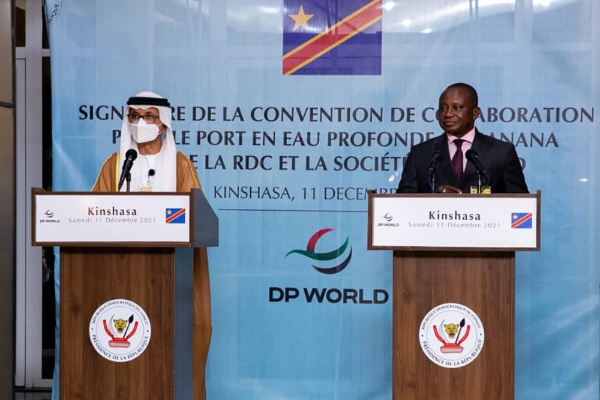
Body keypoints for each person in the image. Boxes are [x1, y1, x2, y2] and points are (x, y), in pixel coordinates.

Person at [53, 91, 212, 399]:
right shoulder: (116, 166)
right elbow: (91, 216)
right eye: (135, 116)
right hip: (117, 281)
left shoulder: (180, 166)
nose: (141, 122)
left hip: (168, 282)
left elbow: (196, 221)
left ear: (163, 124)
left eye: (149, 116)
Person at [397, 83, 529, 194]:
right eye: (443, 108)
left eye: (457, 108)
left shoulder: (501, 153)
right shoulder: (420, 153)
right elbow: (402, 203)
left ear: (475, 113)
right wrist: (433, 200)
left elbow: (520, 202)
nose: (448, 114)